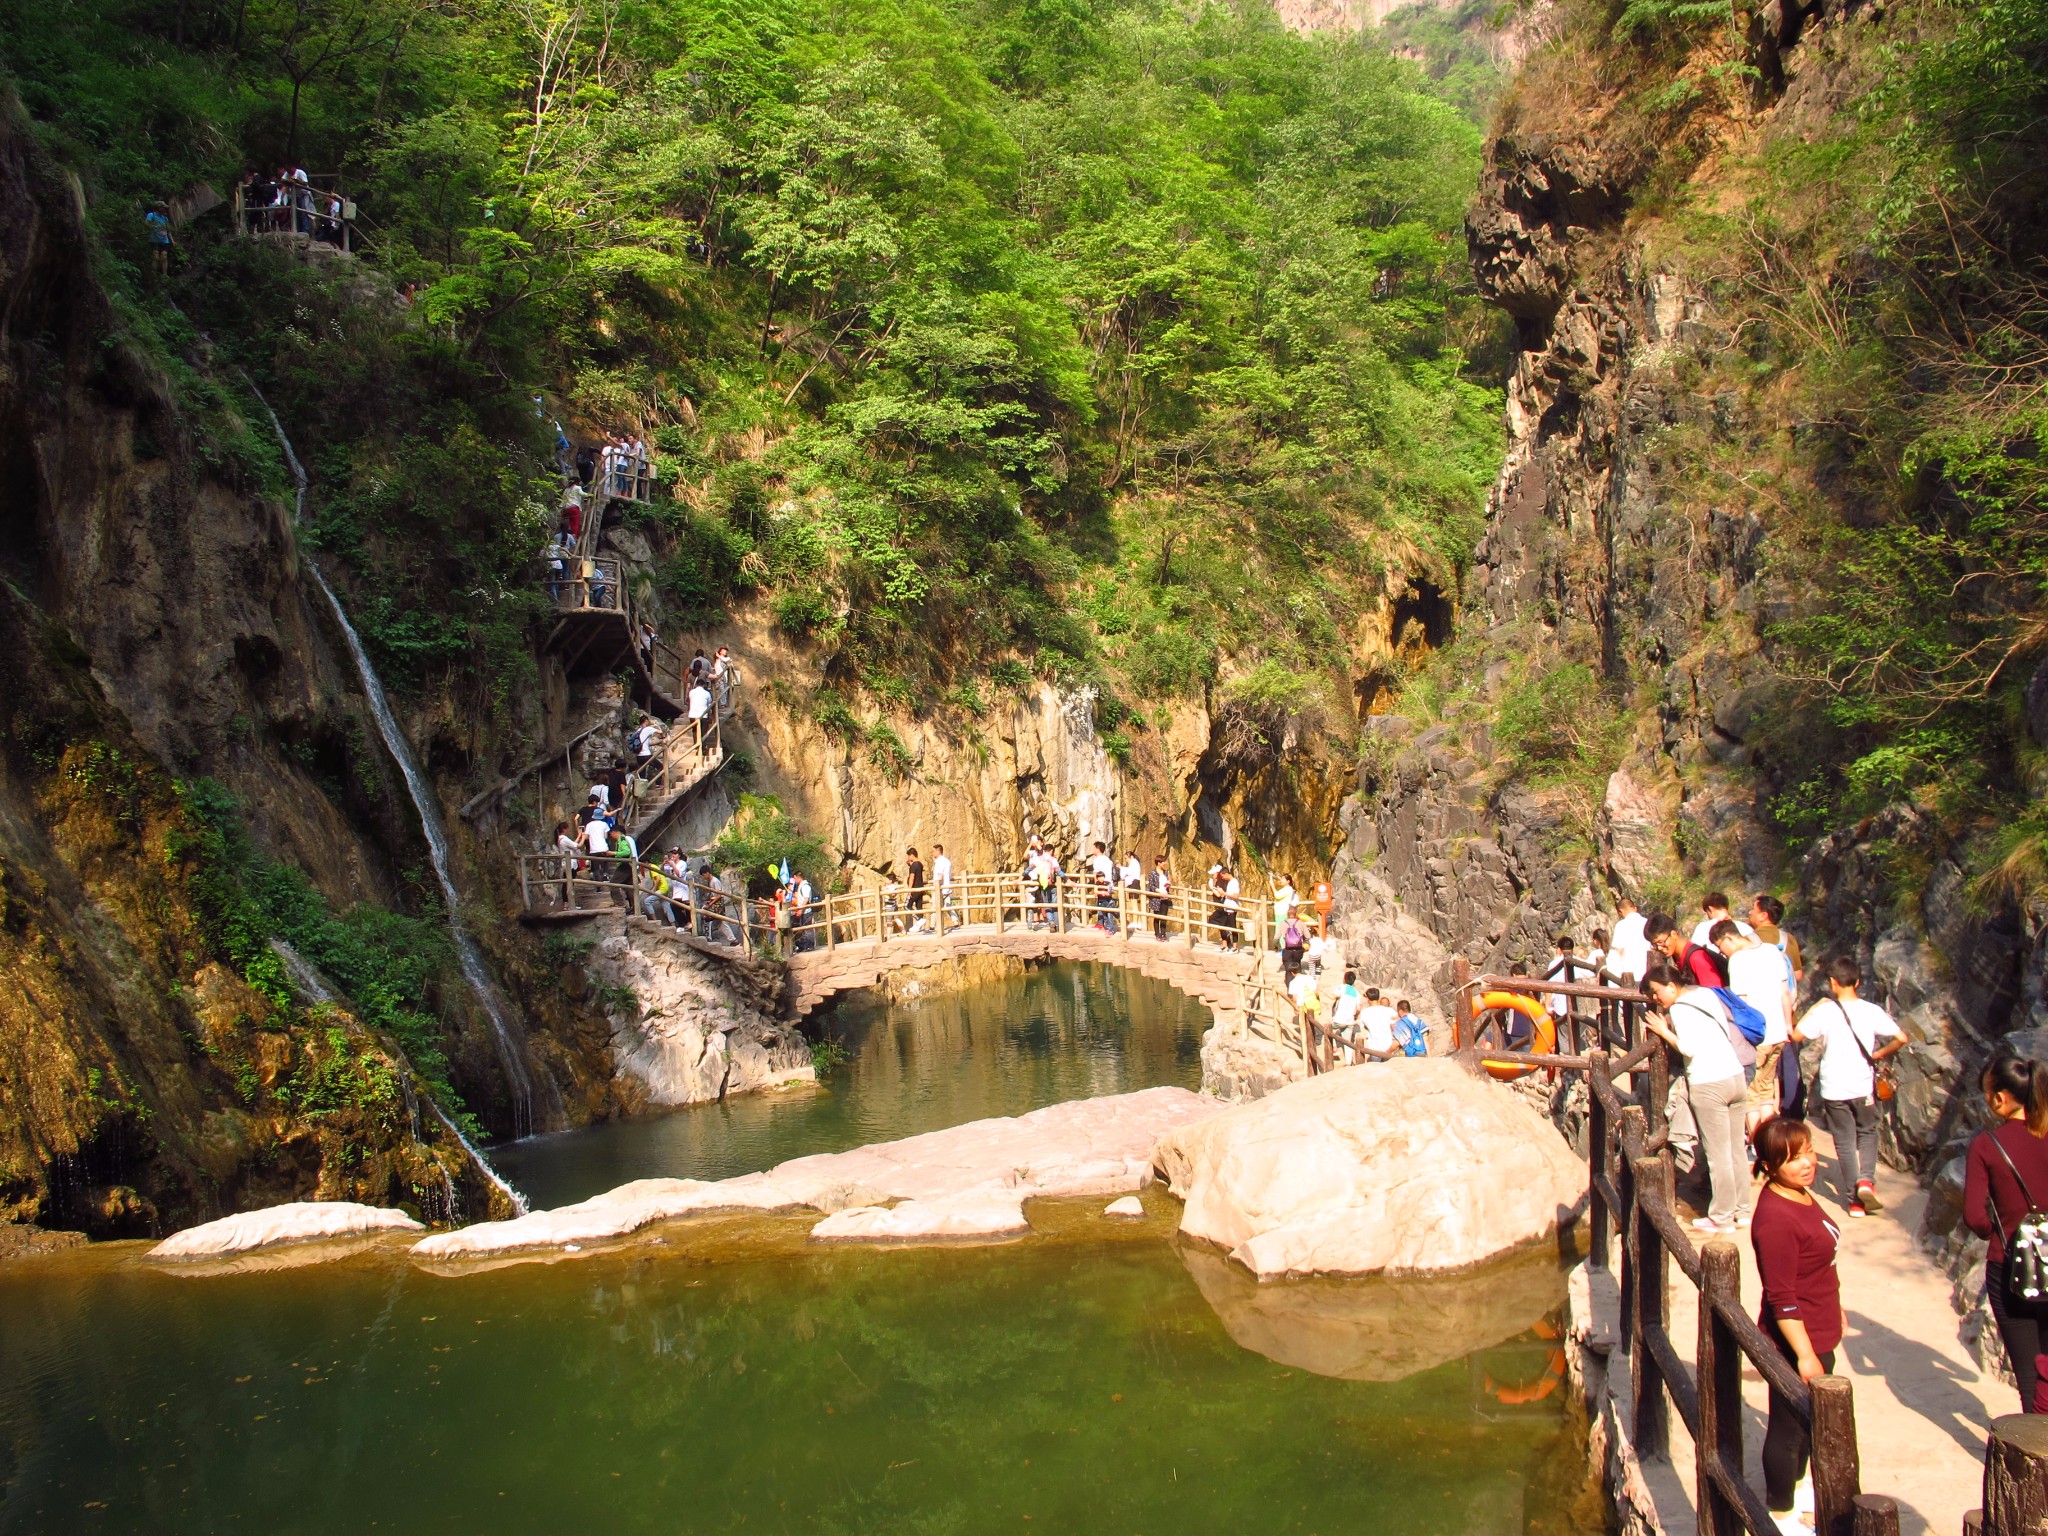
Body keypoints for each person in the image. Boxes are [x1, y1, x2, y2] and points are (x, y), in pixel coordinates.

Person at [1750, 1116, 1843, 1528]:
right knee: (1789, 1426)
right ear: (1770, 1166)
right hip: (1797, 1337)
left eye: (1808, 1152)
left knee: (1808, 1422)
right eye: (1793, 1159)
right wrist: (1804, 1354)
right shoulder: (1775, 1219)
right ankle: (1780, 1511)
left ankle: (1801, 1487)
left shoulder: (1801, 1194)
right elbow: (1781, 1296)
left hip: (1819, 1326)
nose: (1806, 1163)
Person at [1642, 962, 1754, 1231]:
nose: (1657, 999)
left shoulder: (1679, 1009)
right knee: (1737, 1149)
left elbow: (1688, 1048)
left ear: (1671, 986)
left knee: (1718, 1154)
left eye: (1657, 993)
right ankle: (1743, 1210)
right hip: (1735, 1076)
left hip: (1709, 1082)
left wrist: (1664, 1030)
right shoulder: (1705, 994)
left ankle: (1722, 1216)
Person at [1791, 956, 1905, 1217]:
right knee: (1867, 1132)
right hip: (1863, 1087)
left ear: (1832, 983)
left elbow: (1796, 1035)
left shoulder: (1825, 1011)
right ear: (1858, 981)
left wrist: (1814, 1007)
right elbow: (1902, 1037)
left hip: (1833, 1088)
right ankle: (1866, 1181)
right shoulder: (1871, 1011)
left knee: (1844, 1140)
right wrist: (1879, 1054)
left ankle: (1855, 1201)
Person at [1966, 1053, 2048, 1413]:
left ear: (2000, 1097)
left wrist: (1996, 1231)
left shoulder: (1987, 1145)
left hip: (2011, 1265)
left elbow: (1973, 1216)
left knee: (2030, 1376)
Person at [1719, 920, 1796, 1122]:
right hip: (1778, 1033)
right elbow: (1785, 992)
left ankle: (1758, 1146)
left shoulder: (1737, 960)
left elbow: (1740, 1004)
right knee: (1767, 1091)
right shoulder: (1772, 951)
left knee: (1751, 1097)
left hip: (1756, 1038)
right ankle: (1770, 1143)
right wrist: (1788, 1025)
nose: (1723, 953)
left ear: (1729, 937)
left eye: (1721, 947)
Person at [1650, 912, 1727, 988]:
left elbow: (1716, 993)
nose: (1659, 948)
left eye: (1660, 942)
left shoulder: (1696, 957)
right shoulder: (1677, 956)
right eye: (1654, 945)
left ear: (1674, 934)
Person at [1751, 893, 1805, 985]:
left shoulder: (1748, 939)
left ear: (1763, 916)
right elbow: (1798, 974)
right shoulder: (1789, 938)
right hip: (1786, 996)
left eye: (1753, 909)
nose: (1750, 912)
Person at [1691, 891, 1755, 950]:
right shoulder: (1746, 927)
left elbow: (1695, 951)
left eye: (1707, 913)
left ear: (1710, 909)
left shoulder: (1703, 928)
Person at [1610, 896, 1651, 985]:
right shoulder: (1647, 922)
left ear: (1620, 911)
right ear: (1635, 908)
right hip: (1649, 972)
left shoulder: (1621, 925)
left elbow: (1618, 950)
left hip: (1631, 974)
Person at [1357, 987, 1398, 1059]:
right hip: (1388, 1046)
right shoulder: (1389, 1010)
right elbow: (1398, 1019)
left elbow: (1362, 1027)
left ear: (1368, 999)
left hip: (1374, 1047)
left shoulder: (1365, 1012)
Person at [1330, 972, 1362, 1062]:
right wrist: (1355, 1015)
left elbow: (1333, 997)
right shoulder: (1356, 992)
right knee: (1348, 1042)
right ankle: (1348, 1063)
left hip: (1339, 1018)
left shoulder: (1341, 987)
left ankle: (1334, 1047)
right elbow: (1358, 1009)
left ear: (1344, 979)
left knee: (1329, 1029)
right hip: (1349, 1021)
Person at [1087, 841, 1116, 932]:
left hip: (1102, 883)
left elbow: (1096, 874)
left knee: (1104, 904)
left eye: (1094, 848)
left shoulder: (1097, 860)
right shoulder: (1108, 859)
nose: (1093, 850)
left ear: (1098, 849)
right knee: (1104, 903)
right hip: (1109, 883)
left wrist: (1096, 887)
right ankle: (1100, 923)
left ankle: (1108, 926)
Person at [1148, 856, 1172, 941]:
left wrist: (1169, 883)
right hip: (1157, 898)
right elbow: (1151, 886)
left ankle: (1163, 934)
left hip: (1165, 897)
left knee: (1164, 916)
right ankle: (1157, 933)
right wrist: (1159, 891)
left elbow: (1168, 882)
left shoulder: (1166, 872)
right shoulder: (1153, 873)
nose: (1165, 863)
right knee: (1157, 916)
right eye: (1163, 862)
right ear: (1158, 863)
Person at [1271, 873, 1298, 947]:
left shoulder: (1289, 889)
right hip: (1279, 912)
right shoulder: (1284, 889)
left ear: (1288, 881)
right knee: (1279, 930)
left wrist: (1272, 885)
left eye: (1283, 879)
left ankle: (1285, 948)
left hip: (1283, 912)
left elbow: (1277, 896)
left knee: (1282, 931)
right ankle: (1283, 948)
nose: (1281, 880)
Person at [144, 203, 171, 275]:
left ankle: (164, 275)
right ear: (159, 208)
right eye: (163, 208)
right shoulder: (151, 215)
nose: (165, 209)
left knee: (164, 256)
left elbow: (168, 230)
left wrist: (172, 240)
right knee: (155, 256)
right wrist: (154, 226)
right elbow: (147, 223)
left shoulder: (165, 218)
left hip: (164, 240)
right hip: (154, 239)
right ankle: (154, 274)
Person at [688, 679, 714, 755]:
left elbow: (690, 699)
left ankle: (696, 745)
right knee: (703, 732)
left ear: (696, 684)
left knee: (695, 730)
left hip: (693, 715)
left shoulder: (691, 692)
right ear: (703, 685)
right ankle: (702, 748)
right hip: (703, 715)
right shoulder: (707, 693)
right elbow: (709, 702)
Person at [904, 847, 927, 930]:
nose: (907, 858)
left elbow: (912, 877)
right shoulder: (920, 864)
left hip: (915, 889)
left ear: (912, 855)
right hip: (920, 888)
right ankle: (919, 927)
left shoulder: (914, 865)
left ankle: (920, 920)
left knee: (907, 906)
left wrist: (910, 890)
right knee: (919, 907)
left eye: (908, 856)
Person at [1279, 911, 1306, 981]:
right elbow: (1308, 936)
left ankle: (1289, 988)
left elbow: (1276, 938)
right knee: (1297, 966)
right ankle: (1298, 985)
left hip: (1287, 950)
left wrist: (1275, 946)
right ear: (1296, 914)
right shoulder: (1301, 923)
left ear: (1287, 915)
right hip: (1299, 950)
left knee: (1288, 970)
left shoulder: (1283, 923)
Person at [1220, 866, 1241, 951]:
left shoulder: (1234, 882)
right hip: (1226, 907)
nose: (1222, 878)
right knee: (1222, 925)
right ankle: (1225, 945)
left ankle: (1235, 947)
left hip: (1232, 908)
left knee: (1233, 927)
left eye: (1222, 876)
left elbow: (1236, 896)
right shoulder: (1229, 882)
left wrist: (1224, 893)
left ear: (1226, 874)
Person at [932, 843, 955, 918]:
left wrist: (938, 885)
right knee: (947, 905)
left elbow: (940, 876)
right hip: (947, 886)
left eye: (933, 851)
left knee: (935, 906)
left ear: (938, 851)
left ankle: (932, 925)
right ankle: (955, 920)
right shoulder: (947, 861)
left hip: (940, 888)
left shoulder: (939, 862)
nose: (932, 853)